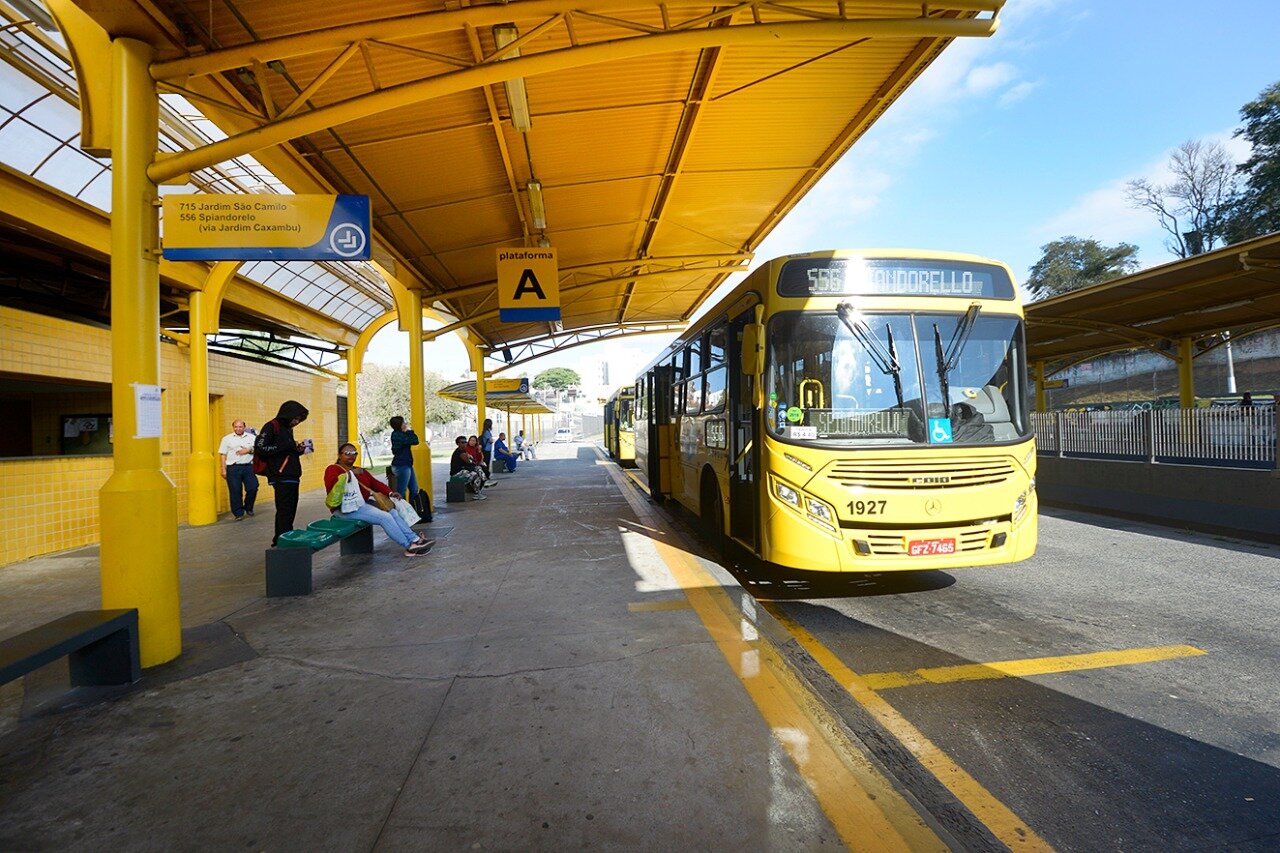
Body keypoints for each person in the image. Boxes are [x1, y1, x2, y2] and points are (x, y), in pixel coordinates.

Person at [325, 444, 434, 556]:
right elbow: (333, 486)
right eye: (347, 453)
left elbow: (375, 483)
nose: (351, 456)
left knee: (392, 512)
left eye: (354, 453)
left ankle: (415, 539)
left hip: (362, 504)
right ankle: (409, 546)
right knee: (384, 517)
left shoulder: (359, 470)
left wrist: (390, 493)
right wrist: (351, 474)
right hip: (344, 509)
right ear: (339, 455)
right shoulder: (333, 469)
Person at [256, 400, 310, 547]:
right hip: (280, 476)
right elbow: (260, 448)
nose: (297, 422)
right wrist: (284, 446)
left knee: (290, 509)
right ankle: (281, 541)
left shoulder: (287, 429)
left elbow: (286, 451)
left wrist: (296, 450)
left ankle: (284, 536)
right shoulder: (272, 426)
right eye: (296, 418)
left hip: (292, 475)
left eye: (299, 420)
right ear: (288, 414)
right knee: (284, 510)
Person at [218, 419, 259, 521]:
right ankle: (238, 513)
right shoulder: (226, 439)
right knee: (235, 491)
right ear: (233, 427)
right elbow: (223, 454)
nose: (238, 429)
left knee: (253, 487)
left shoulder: (252, 437)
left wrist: (248, 450)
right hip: (233, 467)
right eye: (236, 427)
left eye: (240, 427)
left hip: (248, 467)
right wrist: (223, 469)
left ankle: (248, 507)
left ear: (244, 427)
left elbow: (259, 450)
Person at [388, 416, 419, 499]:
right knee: (401, 491)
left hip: (407, 464)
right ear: (399, 425)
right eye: (403, 422)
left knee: (414, 489)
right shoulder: (396, 435)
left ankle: (413, 508)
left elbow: (416, 440)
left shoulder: (403, 433)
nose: (405, 424)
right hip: (401, 465)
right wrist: (408, 432)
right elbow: (413, 441)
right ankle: (401, 509)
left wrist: (408, 432)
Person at [449, 436, 487, 500]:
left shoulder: (463, 451)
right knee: (475, 474)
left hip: (463, 470)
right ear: (458, 444)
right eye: (462, 442)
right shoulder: (460, 452)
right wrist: (469, 457)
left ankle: (483, 483)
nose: (465, 443)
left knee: (477, 469)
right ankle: (478, 492)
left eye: (465, 442)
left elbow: (476, 459)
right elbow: (468, 462)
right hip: (457, 473)